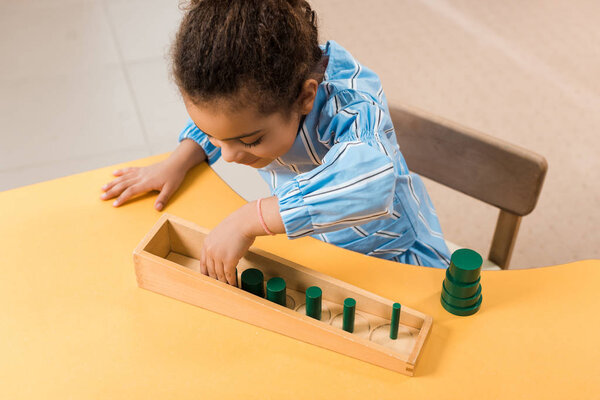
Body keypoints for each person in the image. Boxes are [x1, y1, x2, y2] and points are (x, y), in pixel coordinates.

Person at [100, 0, 450, 285]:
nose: (231, 155)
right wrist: (180, 158)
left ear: (304, 98)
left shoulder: (352, 108)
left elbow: (373, 183)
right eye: (212, 136)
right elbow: (226, 122)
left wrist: (249, 218)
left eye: (250, 141)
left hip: (393, 254)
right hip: (317, 250)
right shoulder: (254, 94)